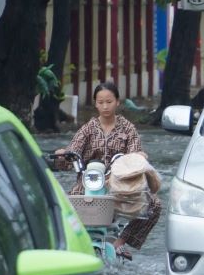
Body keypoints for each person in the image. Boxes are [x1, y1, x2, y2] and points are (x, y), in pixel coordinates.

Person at [55, 81, 162, 259]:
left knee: (154, 205)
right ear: (95, 103)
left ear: (118, 102)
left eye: (109, 101)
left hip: (119, 186)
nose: (105, 106)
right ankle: (70, 247)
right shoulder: (87, 128)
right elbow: (72, 152)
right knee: (61, 207)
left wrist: (139, 157)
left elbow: (135, 154)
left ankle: (120, 242)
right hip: (87, 184)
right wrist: (62, 155)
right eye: (100, 102)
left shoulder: (128, 128)